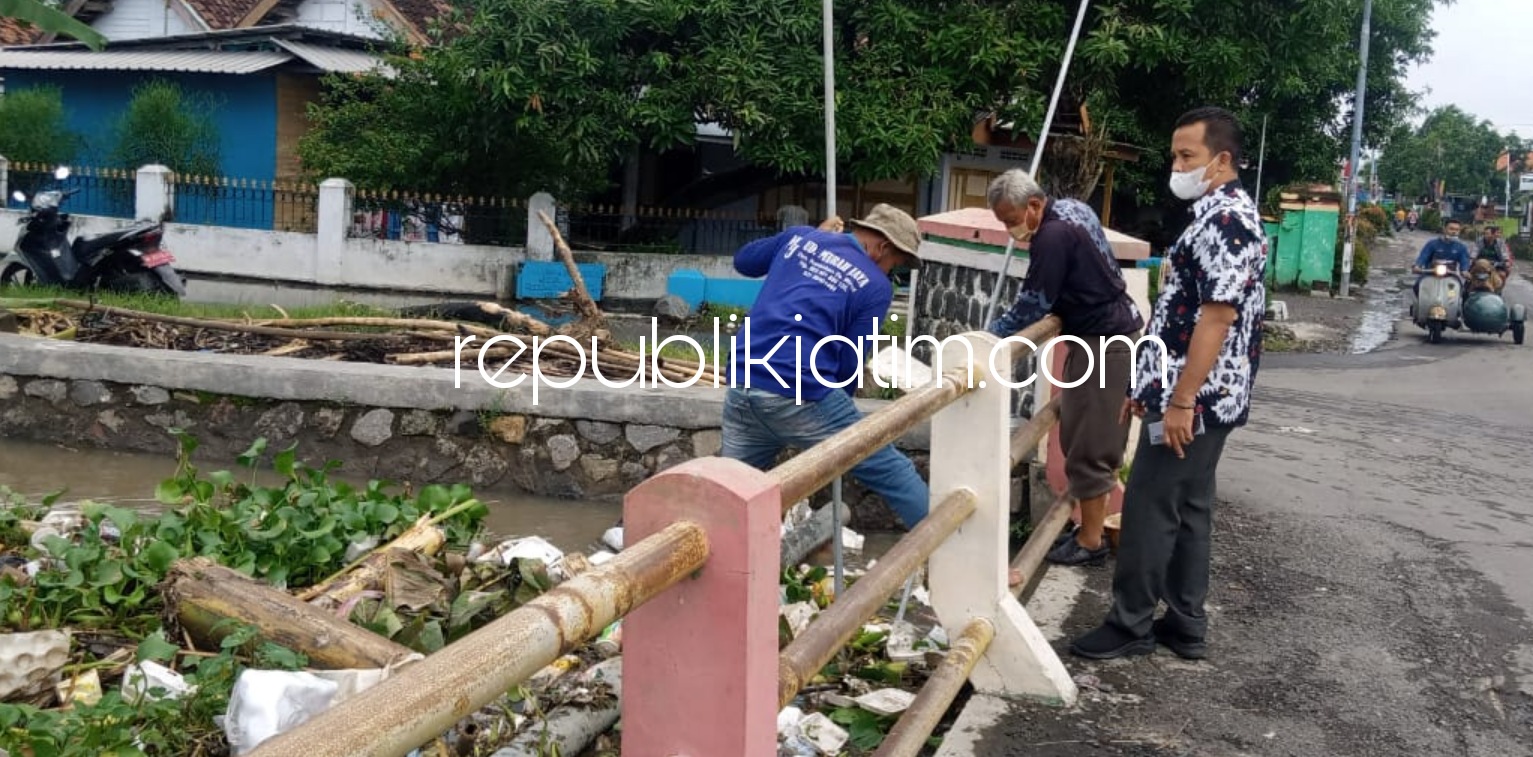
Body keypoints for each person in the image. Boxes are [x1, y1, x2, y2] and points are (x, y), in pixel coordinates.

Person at [1069, 105, 1267, 661]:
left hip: (1197, 398)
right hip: (1196, 393)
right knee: (1190, 506)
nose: (1176, 167)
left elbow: (1216, 317)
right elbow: (1178, 315)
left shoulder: (1227, 221)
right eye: (1175, 156)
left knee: (1150, 506)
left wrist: (1180, 400)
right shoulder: (1214, 216)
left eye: (1187, 156)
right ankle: (1185, 623)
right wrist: (1148, 386)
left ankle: (1130, 622)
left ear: (1221, 160)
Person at [720, 204, 931, 529]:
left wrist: (808, 237)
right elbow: (849, 360)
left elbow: (744, 261)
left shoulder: (799, 238)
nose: (891, 271)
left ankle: (669, 540)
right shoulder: (876, 285)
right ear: (882, 247)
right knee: (892, 470)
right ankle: (957, 549)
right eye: (896, 263)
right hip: (801, 387)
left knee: (726, 491)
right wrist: (839, 415)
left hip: (743, 381)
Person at [983, 168, 1144, 567]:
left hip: (1103, 342)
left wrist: (988, 336)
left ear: (1034, 205)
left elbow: (1034, 302)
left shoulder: (1051, 236)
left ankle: (1091, 541)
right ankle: (1089, 529)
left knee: (1091, 445)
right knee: (1083, 435)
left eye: (1011, 220)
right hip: (1107, 335)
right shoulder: (1075, 209)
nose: (1010, 230)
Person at [1411, 219, 1472, 296]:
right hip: (1430, 273)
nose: (1454, 232)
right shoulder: (1432, 243)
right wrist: (1417, 266)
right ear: (1444, 229)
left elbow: (1464, 261)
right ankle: (1420, 303)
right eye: (1451, 229)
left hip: (1451, 276)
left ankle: (1453, 302)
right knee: (1417, 287)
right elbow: (1423, 256)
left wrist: (1465, 271)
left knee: (1457, 293)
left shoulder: (1461, 247)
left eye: (1457, 230)